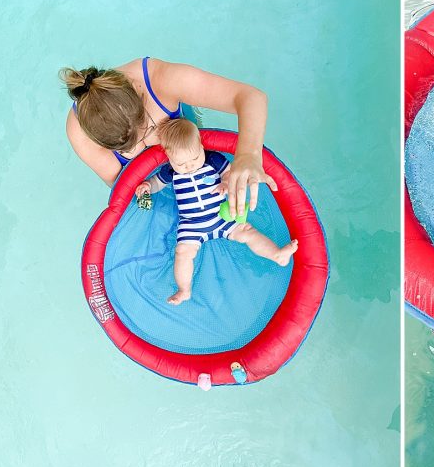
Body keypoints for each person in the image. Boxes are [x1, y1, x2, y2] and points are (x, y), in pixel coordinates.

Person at [61, 56, 275, 217]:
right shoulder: (80, 133)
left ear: (138, 90)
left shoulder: (162, 80)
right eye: (127, 148)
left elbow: (251, 97)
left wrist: (248, 154)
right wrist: (147, 200)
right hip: (159, 178)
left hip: (184, 134)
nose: (141, 142)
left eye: (147, 129)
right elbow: (126, 187)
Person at [134, 118, 298, 305]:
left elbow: (229, 173)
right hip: (192, 225)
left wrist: (226, 183)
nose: (189, 166)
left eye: (195, 158)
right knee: (182, 252)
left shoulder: (213, 160)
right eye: (181, 163)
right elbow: (157, 183)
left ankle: (276, 254)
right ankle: (184, 290)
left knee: (247, 232)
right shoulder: (171, 171)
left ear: (201, 146)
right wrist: (148, 185)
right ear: (169, 157)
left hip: (221, 216)